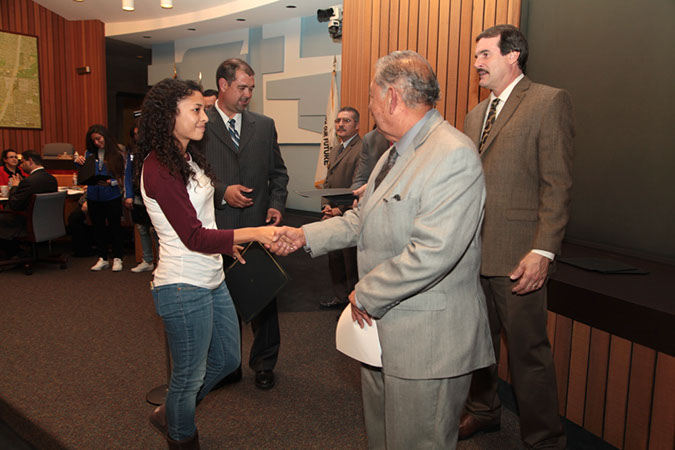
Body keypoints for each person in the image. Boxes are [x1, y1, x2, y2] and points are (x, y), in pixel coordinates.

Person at [276, 51, 494, 449]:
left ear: (392, 97)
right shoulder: (392, 154)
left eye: (373, 96)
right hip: (382, 332)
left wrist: (366, 292)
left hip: (426, 342)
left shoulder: (453, 154)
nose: (370, 105)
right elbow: (363, 219)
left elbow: (434, 251)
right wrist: (306, 236)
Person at [137, 78, 288, 449]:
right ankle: (180, 433)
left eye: (203, 109)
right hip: (182, 284)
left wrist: (226, 246)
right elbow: (193, 236)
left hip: (211, 275)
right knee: (189, 377)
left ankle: (174, 411)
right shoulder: (159, 169)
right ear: (167, 116)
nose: (205, 116)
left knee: (226, 360)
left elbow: (206, 222)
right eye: (196, 110)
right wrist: (251, 234)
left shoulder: (187, 156)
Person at [459, 25, 574, 450]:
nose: (477, 64)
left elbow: (557, 185)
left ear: (514, 56)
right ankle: (485, 412)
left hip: (519, 258)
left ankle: (545, 439)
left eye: (485, 55)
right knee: (477, 345)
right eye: (476, 56)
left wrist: (542, 250)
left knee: (529, 356)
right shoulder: (474, 115)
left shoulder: (548, 101)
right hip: (472, 256)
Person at [202, 58, 289, 390]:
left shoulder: (264, 125)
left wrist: (276, 206)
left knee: (264, 299)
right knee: (225, 305)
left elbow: (278, 174)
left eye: (251, 88)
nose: (248, 94)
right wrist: (223, 192)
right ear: (223, 86)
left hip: (258, 230)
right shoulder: (198, 125)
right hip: (218, 231)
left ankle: (265, 363)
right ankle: (229, 364)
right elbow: (189, 181)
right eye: (242, 87)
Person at [319, 106, 362, 310]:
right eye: (338, 121)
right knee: (334, 258)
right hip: (333, 214)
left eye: (346, 121)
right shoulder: (336, 149)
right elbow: (328, 182)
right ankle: (340, 297)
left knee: (350, 262)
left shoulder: (363, 149)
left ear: (357, 125)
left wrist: (341, 209)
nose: (340, 124)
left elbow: (359, 185)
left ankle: (352, 304)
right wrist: (326, 206)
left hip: (350, 214)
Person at [75, 125, 133, 272]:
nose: (96, 143)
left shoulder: (117, 153)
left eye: (98, 139)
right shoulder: (89, 153)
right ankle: (102, 257)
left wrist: (111, 183)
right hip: (94, 195)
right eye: (93, 140)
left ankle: (118, 258)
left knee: (115, 228)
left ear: (105, 137)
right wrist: (79, 163)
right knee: (98, 228)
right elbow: (84, 174)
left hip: (111, 195)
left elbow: (124, 176)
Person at [0, 150, 58, 256]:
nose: (21, 165)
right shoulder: (52, 179)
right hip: (47, 220)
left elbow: (14, 205)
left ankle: (11, 253)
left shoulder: (28, 181)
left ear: (30, 161)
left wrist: (14, 186)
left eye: (22, 162)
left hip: (29, 221)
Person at [128, 122, 158, 273]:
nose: (137, 136)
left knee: (156, 230)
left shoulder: (155, 150)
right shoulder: (133, 152)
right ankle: (147, 260)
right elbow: (128, 174)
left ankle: (161, 263)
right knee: (142, 228)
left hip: (154, 195)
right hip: (138, 194)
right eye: (135, 134)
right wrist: (129, 195)